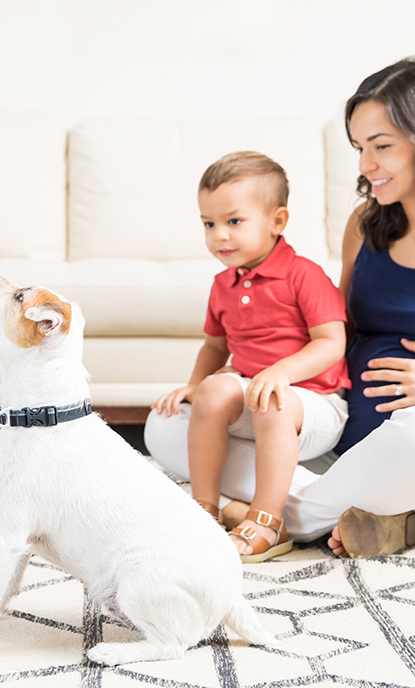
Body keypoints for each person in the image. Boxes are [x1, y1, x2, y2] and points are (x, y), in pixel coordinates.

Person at [145, 58, 415, 559]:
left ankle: (280, 517)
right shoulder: (366, 225)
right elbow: (336, 333)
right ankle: (374, 512)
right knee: (171, 422)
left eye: (381, 147)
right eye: (359, 148)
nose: (364, 165)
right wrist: (259, 387)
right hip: (347, 454)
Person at [149, 151, 349, 563]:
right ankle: (203, 509)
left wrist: (281, 372)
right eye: (209, 224)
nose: (219, 235)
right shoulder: (223, 284)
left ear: (277, 222)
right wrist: (194, 386)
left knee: (272, 401)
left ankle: (269, 520)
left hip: (313, 403)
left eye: (233, 222)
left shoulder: (303, 275)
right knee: (213, 390)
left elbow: (331, 342)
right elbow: (215, 347)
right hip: (254, 395)